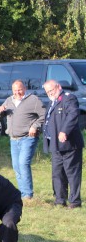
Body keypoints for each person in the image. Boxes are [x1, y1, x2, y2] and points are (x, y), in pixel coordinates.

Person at [0, 80, 45, 200]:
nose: (17, 92)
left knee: (23, 163)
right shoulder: (9, 100)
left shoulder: (33, 100)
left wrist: (35, 126)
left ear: (25, 88)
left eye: (20, 90)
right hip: (13, 139)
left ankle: (27, 194)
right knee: (16, 166)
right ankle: (22, 193)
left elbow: (44, 114)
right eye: (15, 90)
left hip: (28, 138)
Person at [42, 79, 84, 208]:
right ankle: (60, 200)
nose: (50, 93)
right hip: (55, 145)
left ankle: (75, 201)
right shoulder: (51, 102)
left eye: (52, 90)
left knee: (72, 172)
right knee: (57, 173)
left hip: (69, 144)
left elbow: (73, 115)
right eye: (47, 91)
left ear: (58, 87)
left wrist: (64, 131)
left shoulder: (68, 98)